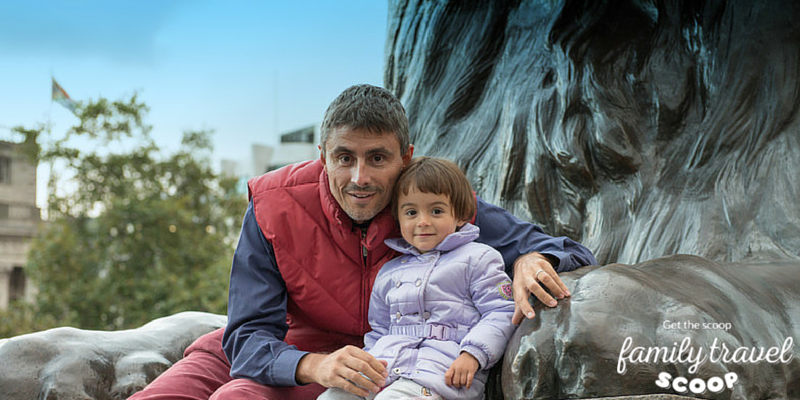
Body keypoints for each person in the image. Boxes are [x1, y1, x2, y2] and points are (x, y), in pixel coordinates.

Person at [128, 84, 596, 400]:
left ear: (406, 157)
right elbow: (248, 337)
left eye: (378, 158)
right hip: (284, 351)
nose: (360, 178)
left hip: (382, 364)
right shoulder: (273, 204)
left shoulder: (432, 204)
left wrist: (529, 259)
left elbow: (570, 250)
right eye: (344, 157)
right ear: (322, 156)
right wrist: (314, 365)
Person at [318, 156, 517, 400]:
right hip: (386, 370)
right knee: (333, 397)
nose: (423, 222)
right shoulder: (390, 270)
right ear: (398, 218)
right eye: (411, 212)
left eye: (436, 211)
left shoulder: (479, 258)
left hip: (442, 375)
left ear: (461, 215)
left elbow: (502, 312)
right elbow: (379, 330)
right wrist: (366, 365)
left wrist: (473, 353)